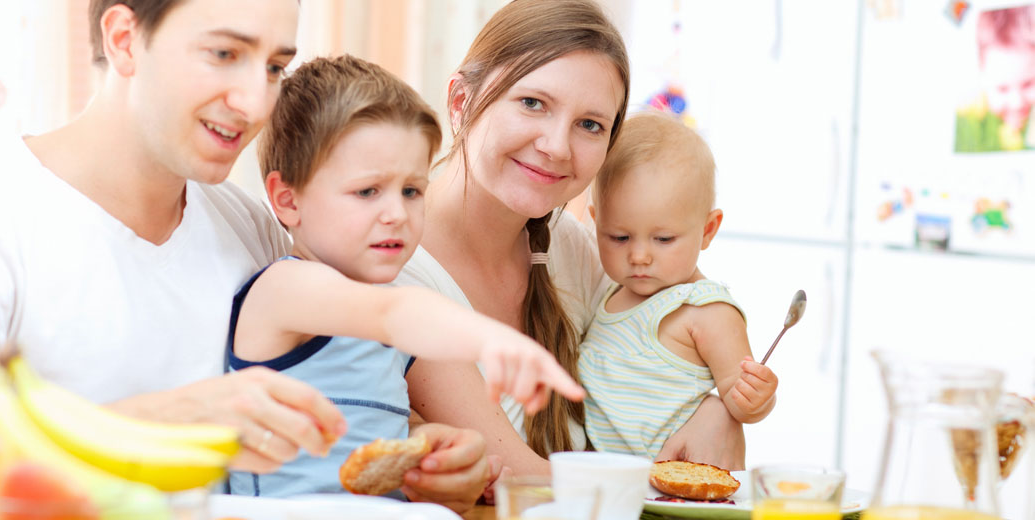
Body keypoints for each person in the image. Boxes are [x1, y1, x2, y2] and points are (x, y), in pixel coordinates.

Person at [0, 0, 493, 510]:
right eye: (224, 54)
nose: (255, 103)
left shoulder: (249, 226)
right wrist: (160, 421)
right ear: (125, 39)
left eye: (274, 67)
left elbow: (338, 397)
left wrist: (426, 450)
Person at [391, 0, 747, 482]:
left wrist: (716, 407)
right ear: (461, 101)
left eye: (590, 125)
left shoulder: (574, 249)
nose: (557, 146)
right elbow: (517, 476)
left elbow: (672, 337)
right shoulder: (393, 262)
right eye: (532, 103)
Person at [226, 54, 584, 498]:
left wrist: (443, 460)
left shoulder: (389, 318)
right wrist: (492, 340)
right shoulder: (285, 290)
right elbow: (392, 312)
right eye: (367, 191)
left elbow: (391, 432)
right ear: (288, 200)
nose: (396, 213)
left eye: (412, 190)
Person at [578, 111, 779, 460]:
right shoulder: (609, 293)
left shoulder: (706, 310)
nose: (639, 256)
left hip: (682, 485)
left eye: (664, 239)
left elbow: (738, 400)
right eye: (620, 237)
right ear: (595, 223)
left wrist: (757, 397)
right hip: (614, 485)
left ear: (708, 230)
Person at [955, 5, 1035, 152]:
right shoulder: (970, 120)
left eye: (1028, 84)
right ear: (982, 75)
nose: (1017, 102)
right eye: (1002, 89)